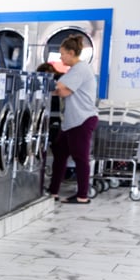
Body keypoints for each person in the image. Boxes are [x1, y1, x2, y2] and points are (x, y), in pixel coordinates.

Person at [46, 34, 98, 203]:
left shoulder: (80, 69)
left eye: (62, 54)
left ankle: (82, 196)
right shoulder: (77, 70)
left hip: (82, 120)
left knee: (80, 158)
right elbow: (64, 91)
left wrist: (46, 85)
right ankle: (53, 191)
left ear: (71, 53)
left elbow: (61, 88)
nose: (60, 58)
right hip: (72, 121)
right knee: (60, 153)